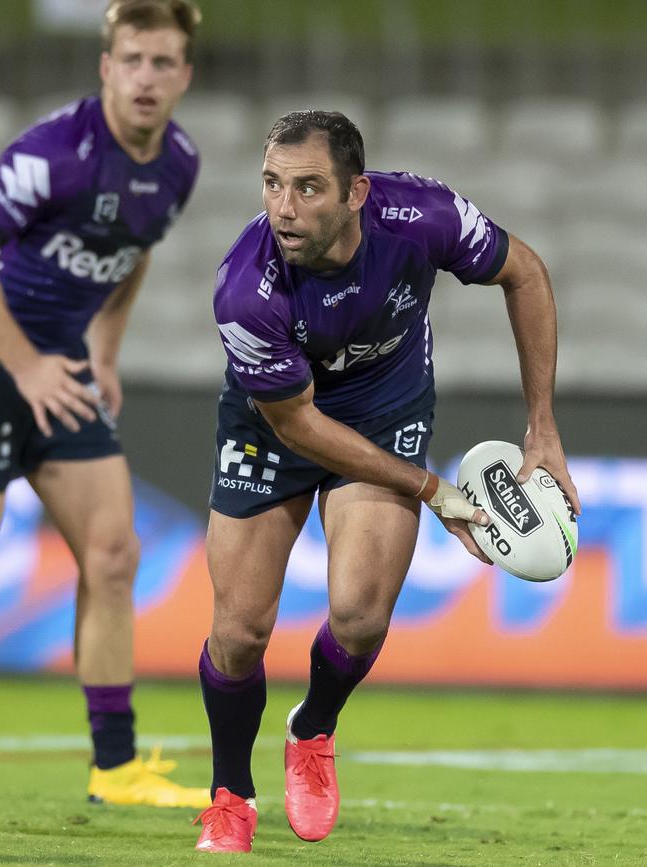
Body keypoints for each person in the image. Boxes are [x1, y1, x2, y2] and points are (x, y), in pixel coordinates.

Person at [193, 110, 581, 853]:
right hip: (274, 421)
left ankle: (312, 727)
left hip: (383, 405)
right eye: (273, 184)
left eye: (308, 188)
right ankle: (230, 792)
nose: (284, 207)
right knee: (239, 630)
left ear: (356, 193)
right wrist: (432, 490)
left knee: (361, 616)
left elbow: (523, 271)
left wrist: (543, 424)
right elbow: (299, 426)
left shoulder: (422, 217)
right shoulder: (247, 289)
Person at [0, 0, 210, 808]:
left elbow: (134, 253)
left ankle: (115, 767)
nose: (147, 78)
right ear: (106, 67)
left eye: (163, 63)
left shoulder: (178, 166)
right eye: (133, 60)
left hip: (57, 372)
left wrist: (105, 351)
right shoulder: (52, 156)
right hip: (5, 359)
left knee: (114, 555)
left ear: (185, 75)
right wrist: (23, 364)